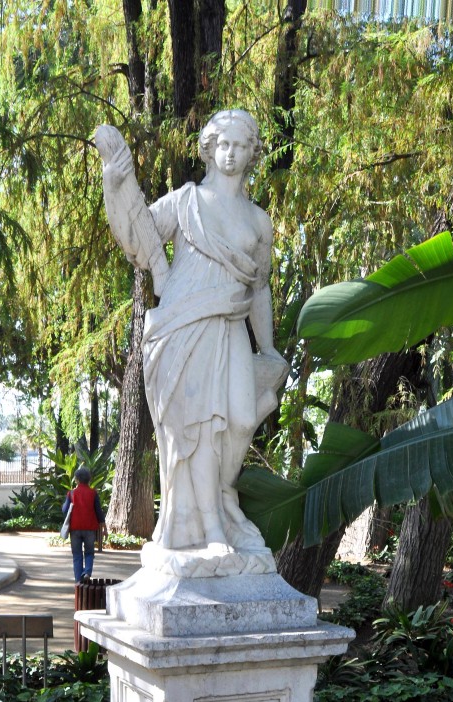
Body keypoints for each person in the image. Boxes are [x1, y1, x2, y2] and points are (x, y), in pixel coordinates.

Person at [97, 110, 288, 573]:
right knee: (200, 429)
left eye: (241, 145)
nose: (231, 152)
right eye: (222, 143)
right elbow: (137, 235)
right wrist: (114, 184)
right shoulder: (186, 201)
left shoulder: (259, 221)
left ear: (252, 153)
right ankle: (212, 528)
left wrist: (268, 348)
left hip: (228, 326)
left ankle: (223, 498)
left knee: (241, 421)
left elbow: (259, 288)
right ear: (209, 148)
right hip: (183, 328)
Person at [61, 467, 108, 583]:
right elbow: (99, 512)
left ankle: (78, 581)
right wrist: (104, 529)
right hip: (90, 529)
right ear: (89, 480)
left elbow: (64, 510)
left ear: (76, 480)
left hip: (75, 529)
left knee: (77, 555)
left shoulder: (71, 493)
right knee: (89, 552)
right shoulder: (93, 493)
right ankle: (87, 572)